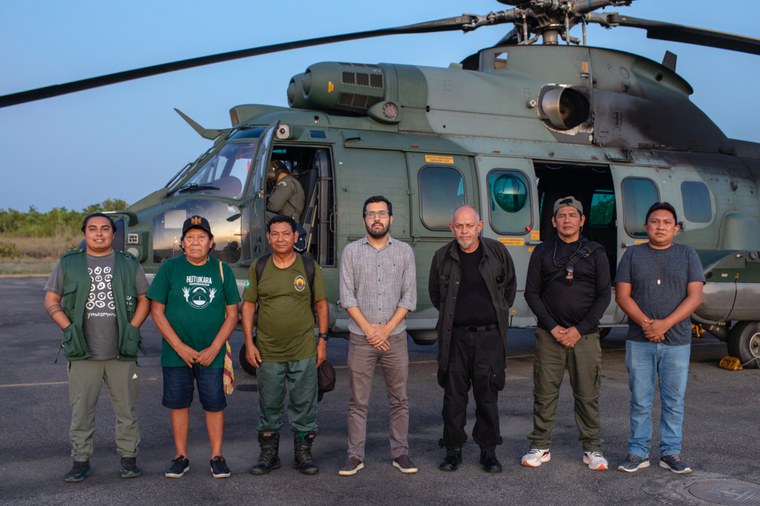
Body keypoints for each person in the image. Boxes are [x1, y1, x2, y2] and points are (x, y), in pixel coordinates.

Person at [44, 212, 150, 482]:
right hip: (83, 352)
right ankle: (81, 461)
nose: (99, 233)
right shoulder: (69, 264)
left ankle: (128, 460)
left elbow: (144, 299)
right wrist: (68, 328)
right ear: (84, 234)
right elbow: (51, 299)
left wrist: (133, 328)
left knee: (126, 410)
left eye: (105, 229)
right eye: (93, 229)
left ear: (113, 235)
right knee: (81, 411)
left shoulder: (128, 263)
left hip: (121, 351)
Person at [521, 196, 611, 471]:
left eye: (573, 215)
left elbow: (604, 295)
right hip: (550, 336)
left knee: (587, 395)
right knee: (544, 393)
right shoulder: (542, 252)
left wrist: (578, 329)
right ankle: (540, 446)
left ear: (582, 220)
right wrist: (553, 326)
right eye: (562, 215)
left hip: (585, 336)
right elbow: (532, 293)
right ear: (553, 221)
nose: (567, 220)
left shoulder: (596, 252)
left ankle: (592, 449)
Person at [147, 215, 240, 479]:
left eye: (201, 237)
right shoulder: (169, 269)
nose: (196, 242)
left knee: (214, 404)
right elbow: (157, 311)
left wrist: (214, 348)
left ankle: (217, 456)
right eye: (190, 238)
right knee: (179, 404)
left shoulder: (222, 271)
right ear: (182, 243)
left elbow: (232, 314)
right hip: (177, 354)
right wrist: (179, 346)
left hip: (212, 352)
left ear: (211, 242)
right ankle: (181, 456)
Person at [615, 202, 704, 475]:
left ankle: (670, 453)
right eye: (655, 222)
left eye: (667, 222)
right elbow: (622, 296)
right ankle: (638, 452)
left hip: (676, 341)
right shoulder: (631, 255)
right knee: (640, 399)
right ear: (646, 227)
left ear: (676, 228)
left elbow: (695, 296)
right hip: (639, 340)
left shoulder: (688, 254)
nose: (660, 226)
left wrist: (665, 323)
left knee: (673, 400)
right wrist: (647, 324)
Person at [428, 205, 516, 473]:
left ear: (480, 226)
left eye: (469, 225)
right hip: (455, 339)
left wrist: (492, 314)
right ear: (451, 228)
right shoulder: (442, 256)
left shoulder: (498, 252)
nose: (464, 231)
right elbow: (436, 295)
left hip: (489, 338)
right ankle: (453, 450)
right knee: (454, 398)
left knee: (487, 396)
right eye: (459, 226)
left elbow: (508, 289)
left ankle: (488, 452)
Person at [242, 214, 329, 476]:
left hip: (303, 350)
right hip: (268, 351)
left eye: (285, 234)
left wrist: (322, 341)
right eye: (275, 234)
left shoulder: (308, 266)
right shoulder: (258, 266)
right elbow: (248, 306)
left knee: (304, 404)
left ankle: (303, 454)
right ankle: (269, 454)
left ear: (295, 237)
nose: (280, 238)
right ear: (268, 238)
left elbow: (321, 305)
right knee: (269, 404)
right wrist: (249, 342)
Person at [338, 196, 417, 476]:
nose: (376, 218)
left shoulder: (405, 252)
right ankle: (355, 455)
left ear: (391, 218)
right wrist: (371, 330)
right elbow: (347, 297)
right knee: (358, 401)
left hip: (394, 337)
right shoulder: (351, 252)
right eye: (371, 214)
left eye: (382, 213)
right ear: (364, 219)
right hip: (361, 338)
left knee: (399, 399)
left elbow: (409, 297)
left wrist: (384, 329)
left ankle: (400, 453)